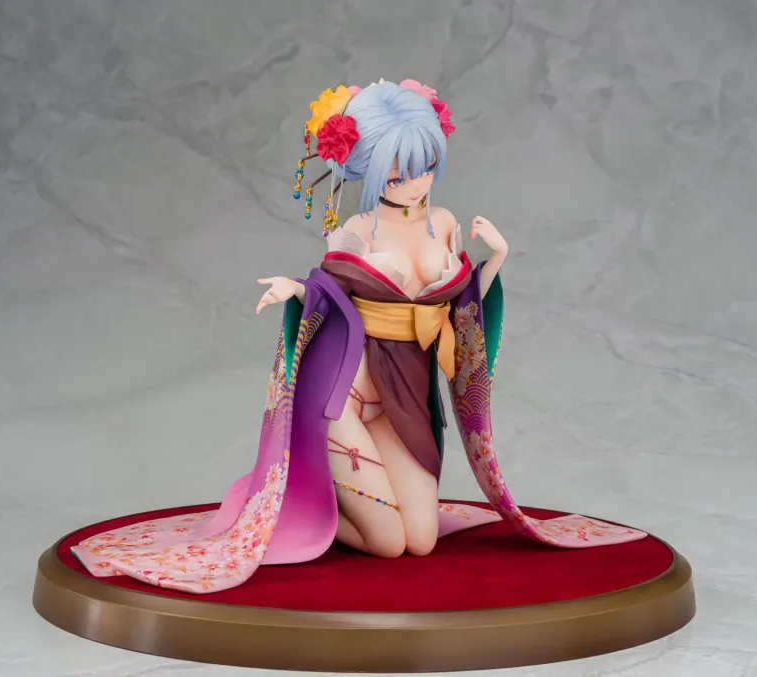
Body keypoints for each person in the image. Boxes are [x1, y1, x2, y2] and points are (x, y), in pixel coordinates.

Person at [72, 79, 645, 594]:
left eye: (423, 167)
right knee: (390, 544)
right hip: (345, 393)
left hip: (405, 397)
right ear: (366, 170)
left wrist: (497, 257)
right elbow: (329, 294)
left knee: (421, 540)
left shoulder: (445, 223)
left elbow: (464, 303)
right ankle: (304, 510)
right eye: (395, 174)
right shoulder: (357, 230)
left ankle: (330, 502)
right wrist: (294, 290)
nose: (413, 183)